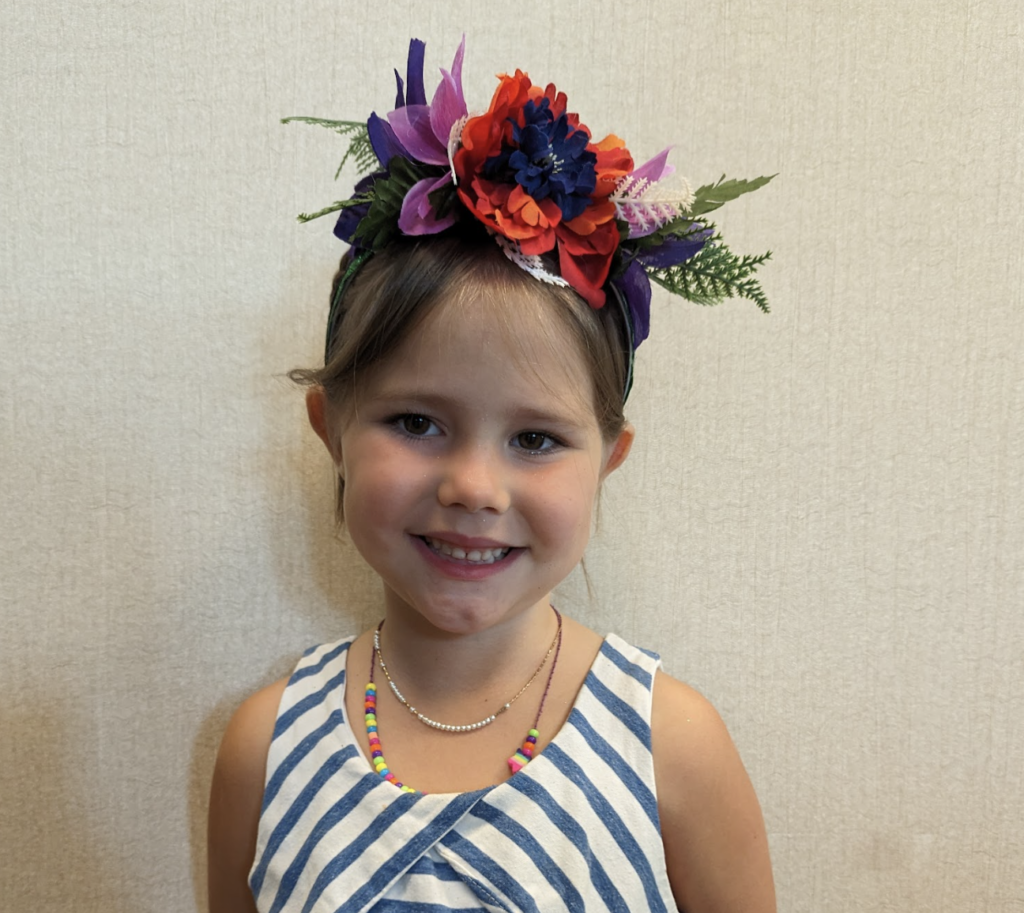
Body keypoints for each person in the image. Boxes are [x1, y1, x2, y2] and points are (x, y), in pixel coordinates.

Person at [208, 37, 776, 913]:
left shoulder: (670, 745)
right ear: (332, 433)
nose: (474, 485)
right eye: (416, 422)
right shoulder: (265, 747)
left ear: (607, 461)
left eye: (537, 438)